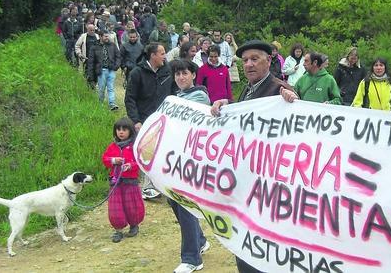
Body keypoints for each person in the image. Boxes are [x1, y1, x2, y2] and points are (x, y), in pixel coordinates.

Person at [211, 40, 293, 273]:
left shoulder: (279, 89)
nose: (248, 64)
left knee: (264, 250)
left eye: (255, 59)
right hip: (245, 183)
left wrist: (294, 104)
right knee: (244, 244)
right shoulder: (249, 88)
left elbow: (296, 133)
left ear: (269, 60)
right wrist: (227, 107)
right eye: (245, 60)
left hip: (268, 189)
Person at [168, 59, 211, 273]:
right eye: (177, 74)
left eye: (184, 73)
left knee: (185, 205)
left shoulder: (199, 97)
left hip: (192, 160)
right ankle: (200, 241)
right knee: (174, 201)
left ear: (193, 75)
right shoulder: (175, 99)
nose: (181, 77)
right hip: (175, 159)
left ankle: (192, 258)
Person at [125, 42, 176, 199]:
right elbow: (130, 99)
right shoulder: (137, 73)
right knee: (147, 152)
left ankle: (161, 186)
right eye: (161, 53)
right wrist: (136, 121)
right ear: (152, 55)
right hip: (144, 121)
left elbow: (173, 93)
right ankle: (147, 188)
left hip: (164, 120)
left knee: (163, 152)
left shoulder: (167, 71)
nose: (165, 56)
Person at [102, 117, 145, 243]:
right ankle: (118, 230)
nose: (121, 132)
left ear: (130, 131)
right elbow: (105, 159)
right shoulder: (112, 146)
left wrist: (130, 165)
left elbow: (140, 162)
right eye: (118, 129)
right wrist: (113, 161)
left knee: (132, 205)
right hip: (116, 182)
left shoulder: (134, 147)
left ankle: (134, 224)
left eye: (124, 129)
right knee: (116, 207)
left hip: (130, 181)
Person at [88, 31, 121, 110]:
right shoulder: (94, 47)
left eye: (108, 36)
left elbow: (118, 56)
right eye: (105, 36)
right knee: (101, 88)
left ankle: (112, 104)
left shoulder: (112, 45)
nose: (107, 38)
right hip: (101, 70)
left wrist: (116, 66)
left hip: (111, 70)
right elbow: (91, 61)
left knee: (111, 87)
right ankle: (100, 104)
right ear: (100, 36)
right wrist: (91, 76)